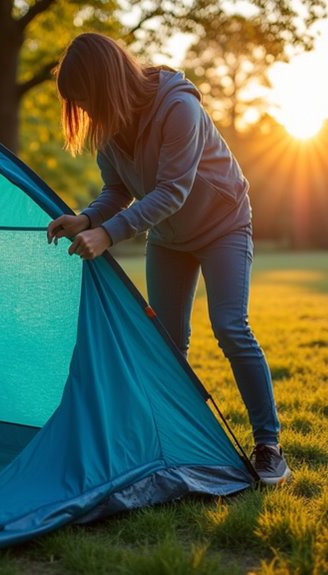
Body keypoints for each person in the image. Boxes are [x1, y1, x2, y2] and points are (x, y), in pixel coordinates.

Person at [46, 32, 291, 486]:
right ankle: (176, 441)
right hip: (169, 237)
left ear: (105, 83)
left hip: (224, 224)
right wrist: (84, 219)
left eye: (84, 98)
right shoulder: (110, 127)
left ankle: (269, 445)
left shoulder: (179, 107)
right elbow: (117, 191)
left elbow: (172, 190)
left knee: (231, 326)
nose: (84, 112)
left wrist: (108, 234)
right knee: (168, 344)